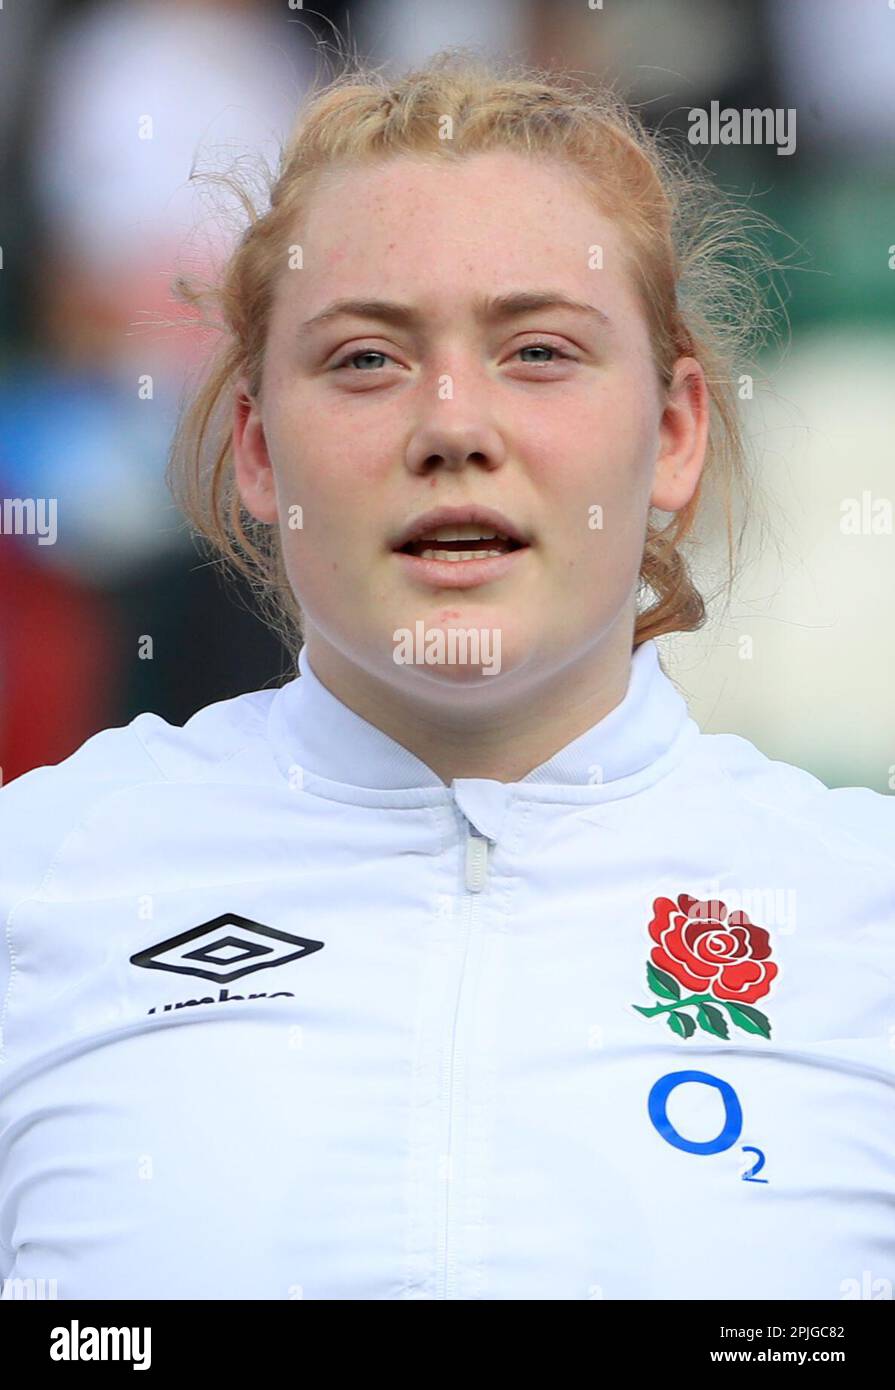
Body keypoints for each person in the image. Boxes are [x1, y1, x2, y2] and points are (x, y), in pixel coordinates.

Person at [1, 50, 892, 1302]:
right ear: (257, 446)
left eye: (537, 350)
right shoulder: (35, 880)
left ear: (676, 432)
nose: (452, 425)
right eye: (366, 359)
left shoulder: (865, 914)